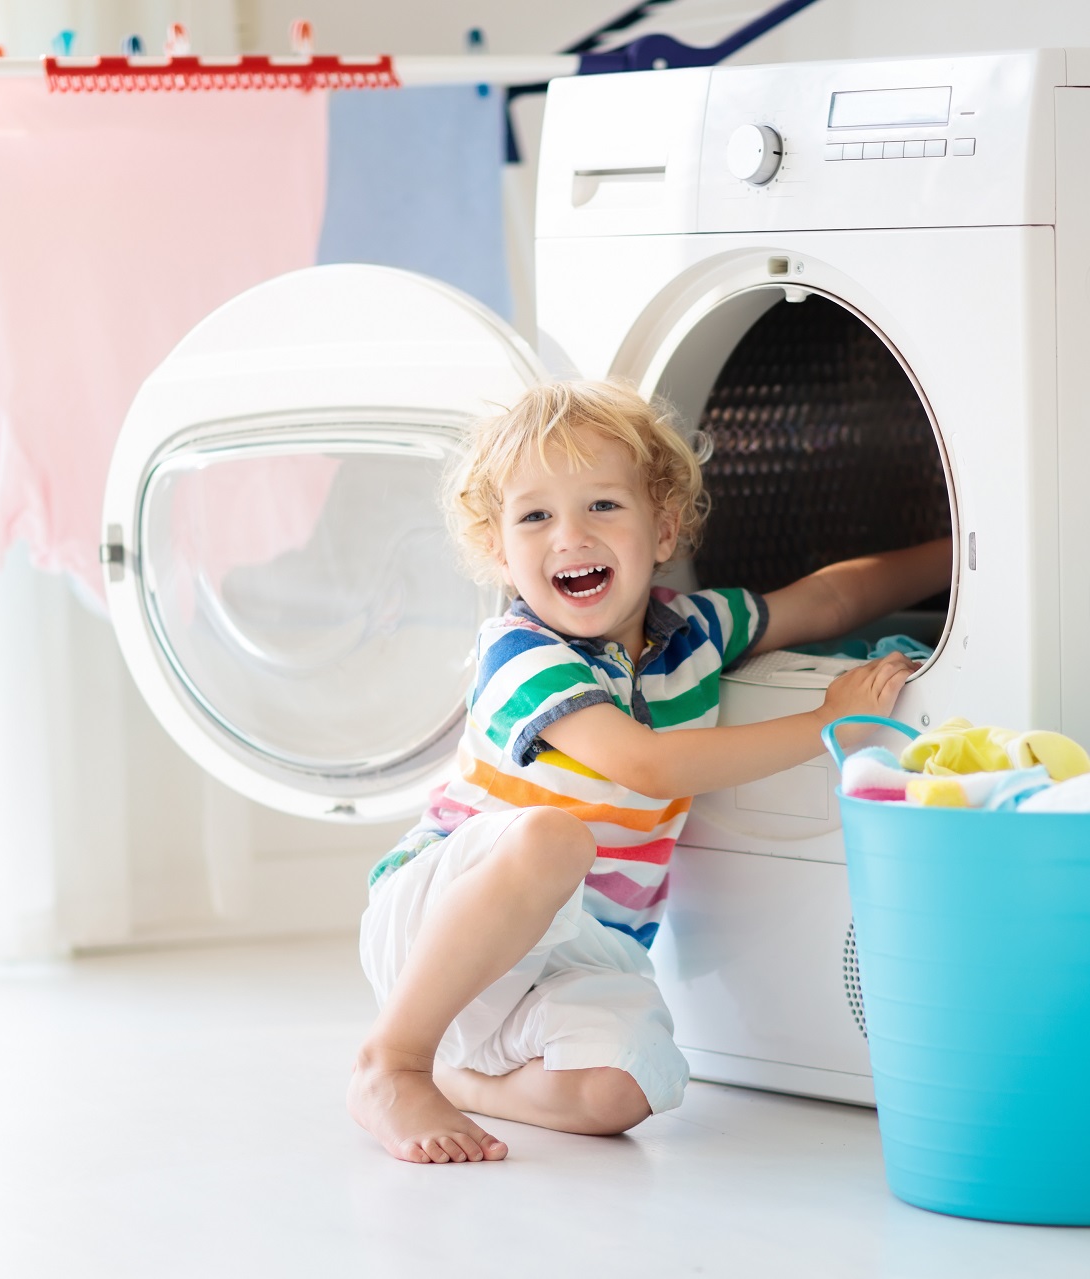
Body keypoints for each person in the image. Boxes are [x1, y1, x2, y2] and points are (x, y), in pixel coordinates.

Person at [348, 379, 950, 1163]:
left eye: (602, 506)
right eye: (536, 516)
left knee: (627, 1088)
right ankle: (391, 1061)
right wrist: (820, 724)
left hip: (573, 952)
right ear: (500, 551)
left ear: (663, 529)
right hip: (438, 923)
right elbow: (645, 763)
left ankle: (466, 1081)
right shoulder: (520, 652)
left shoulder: (694, 632)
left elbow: (830, 599)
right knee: (552, 841)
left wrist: (959, 554)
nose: (570, 536)